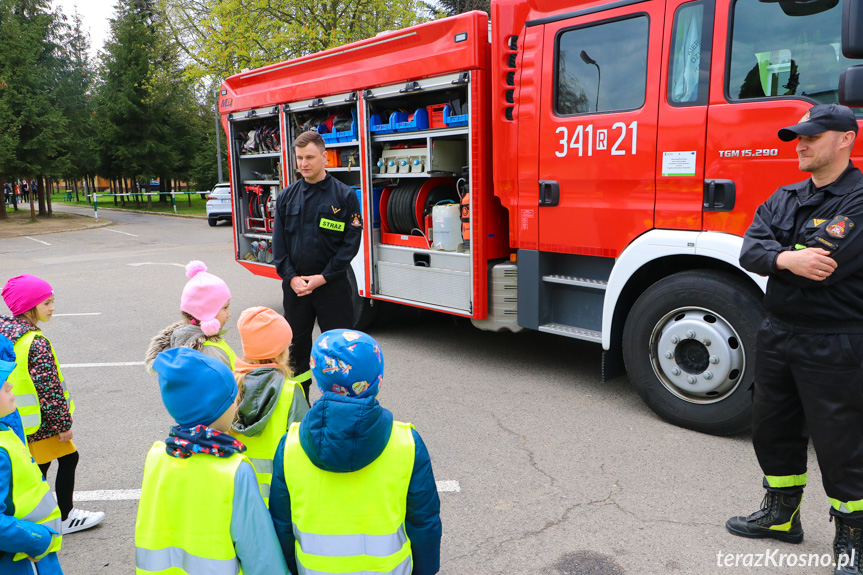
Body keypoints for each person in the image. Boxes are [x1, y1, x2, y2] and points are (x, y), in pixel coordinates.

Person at [729, 103, 863, 573]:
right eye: (796, 137)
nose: (800, 144)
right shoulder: (785, 195)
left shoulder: (859, 198)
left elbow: (826, 266)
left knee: (841, 440)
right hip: (778, 333)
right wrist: (789, 259)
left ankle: (853, 535)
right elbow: (751, 249)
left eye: (811, 136)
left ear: (846, 139)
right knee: (772, 428)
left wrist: (778, 256)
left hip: (835, 340)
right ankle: (781, 516)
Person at [269, 329, 442, 575]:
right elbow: (424, 523)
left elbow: (282, 525)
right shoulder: (406, 443)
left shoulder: (290, 446)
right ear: (377, 380)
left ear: (319, 378)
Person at [137, 347, 288, 575]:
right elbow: (260, 554)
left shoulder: (156, 457)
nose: (236, 405)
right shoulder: (234, 470)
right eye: (232, 400)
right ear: (214, 408)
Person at [0, 274, 104, 535]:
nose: (52, 307)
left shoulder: (8, 334)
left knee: (38, 468)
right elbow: (50, 389)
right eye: (47, 303)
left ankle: (36, 512)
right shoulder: (36, 342)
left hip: (20, 418)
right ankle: (65, 516)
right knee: (68, 458)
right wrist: (63, 424)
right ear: (29, 307)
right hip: (44, 421)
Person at [272, 130, 363, 402]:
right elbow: (279, 246)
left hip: (332, 290)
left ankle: (341, 406)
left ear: (325, 157)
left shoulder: (344, 197)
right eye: (299, 158)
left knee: (339, 351)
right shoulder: (286, 197)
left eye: (310, 157)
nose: (303, 163)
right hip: (297, 291)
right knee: (296, 352)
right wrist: (291, 278)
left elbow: (350, 245)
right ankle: (301, 408)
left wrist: (323, 277)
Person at [230, 306, 309, 506]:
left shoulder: (229, 385)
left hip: (235, 493)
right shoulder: (290, 392)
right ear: (282, 350)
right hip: (278, 498)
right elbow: (303, 449)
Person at [0, 334, 64, 574]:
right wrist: (38, 539)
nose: (11, 387)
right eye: (3, 384)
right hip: (22, 556)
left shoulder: (5, 430)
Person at [145, 260, 236, 370]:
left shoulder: (182, 337)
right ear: (207, 313)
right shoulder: (209, 352)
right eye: (225, 307)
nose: (229, 313)